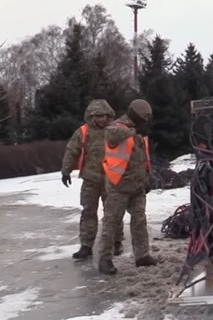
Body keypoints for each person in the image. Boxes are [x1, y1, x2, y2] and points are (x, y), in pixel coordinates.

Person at [97, 98, 158, 275]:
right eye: (144, 117)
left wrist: (146, 179)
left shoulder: (140, 132)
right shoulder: (119, 127)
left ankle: (142, 256)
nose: (146, 120)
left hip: (137, 186)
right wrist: (132, 131)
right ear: (136, 115)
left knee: (139, 220)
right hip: (118, 186)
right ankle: (104, 259)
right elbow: (111, 135)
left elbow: (142, 158)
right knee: (111, 222)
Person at [61, 99, 125, 260]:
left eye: (105, 115)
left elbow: (128, 152)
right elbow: (72, 150)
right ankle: (86, 245)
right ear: (91, 116)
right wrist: (66, 171)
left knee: (113, 212)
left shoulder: (117, 131)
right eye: (98, 116)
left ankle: (117, 241)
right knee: (88, 211)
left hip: (112, 179)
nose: (102, 119)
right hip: (90, 179)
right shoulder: (83, 132)